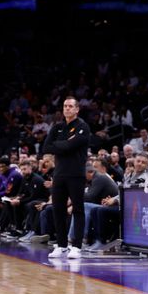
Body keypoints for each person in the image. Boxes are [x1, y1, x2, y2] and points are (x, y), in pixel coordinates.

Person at [44, 96, 91, 259]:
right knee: (58, 210)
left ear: (77, 109)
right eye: (65, 106)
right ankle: (62, 245)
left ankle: (76, 246)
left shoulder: (83, 126)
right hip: (59, 174)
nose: (67, 109)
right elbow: (46, 147)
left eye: (71, 106)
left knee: (77, 209)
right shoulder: (57, 127)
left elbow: (71, 145)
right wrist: (65, 144)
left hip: (76, 173)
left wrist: (60, 145)